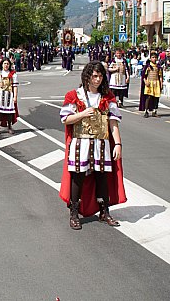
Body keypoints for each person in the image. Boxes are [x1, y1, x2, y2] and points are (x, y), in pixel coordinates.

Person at [58, 61, 125, 230]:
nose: (98, 79)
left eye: (101, 76)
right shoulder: (75, 95)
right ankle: (74, 213)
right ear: (87, 76)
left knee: (101, 177)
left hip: (101, 143)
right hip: (81, 142)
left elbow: (113, 123)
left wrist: (117, 143)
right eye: (95, 76)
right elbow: (65, 119)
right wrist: (82, 114)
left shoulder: (107, 97)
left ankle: (104, 212)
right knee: (78, 177)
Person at [0, 58, 19, 135]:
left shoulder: (13, 74)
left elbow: (15, 86)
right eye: (5, 63)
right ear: (2, 64)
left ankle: (9, 126)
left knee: (9, 112)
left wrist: (15, 96)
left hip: (8, 95)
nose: (6, 65)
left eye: (7, 64)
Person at [139, 51, 163, 118]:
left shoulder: (158, 67)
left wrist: (161, 83)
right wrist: (145, 81)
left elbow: (160, 76)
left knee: (156, 98)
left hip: (156, 83)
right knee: (148, 97)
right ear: (150, 58)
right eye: (153, 57)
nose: (154, 59)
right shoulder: (148, 66)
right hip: (149, 83)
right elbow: (144, 75)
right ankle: (146, 111)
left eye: (155, 57)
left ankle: (154, 111)